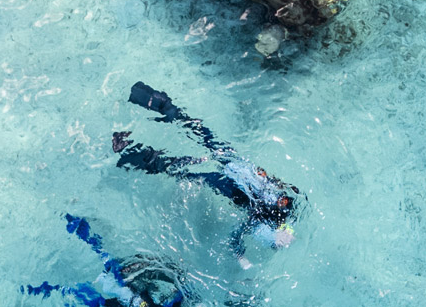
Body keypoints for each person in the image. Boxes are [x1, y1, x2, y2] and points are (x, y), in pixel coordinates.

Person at [113, 82, 306, 266]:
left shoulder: (262, 218)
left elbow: (236, 237)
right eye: (286, 236)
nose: (287, 237)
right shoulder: (283, 211)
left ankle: (136, 150)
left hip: (230, 181)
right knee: (199, 145)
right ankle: (156, 115)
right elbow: (284, 194)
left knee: (191, 160)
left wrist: (241, 256)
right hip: (237, 170)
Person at [23, 214, 192, 307]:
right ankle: (75, 225)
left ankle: (42, 286)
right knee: (100, 266)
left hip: (113, 293)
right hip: (118, 288)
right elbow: (181, 297)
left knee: (89, 285)